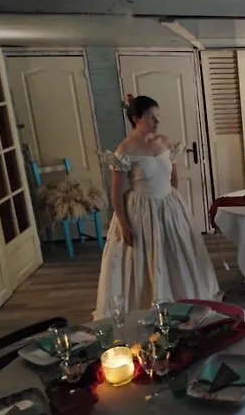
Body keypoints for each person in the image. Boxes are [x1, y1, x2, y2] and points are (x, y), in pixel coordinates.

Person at [93, 95, 221, 319]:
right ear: (136, 119)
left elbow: (173, 176)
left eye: (158, 117)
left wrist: (173, 203)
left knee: (177, 253)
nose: (157, 122)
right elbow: (116, 191)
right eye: (151, 117)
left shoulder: (165, 141)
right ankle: (149, 303)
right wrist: (124, 224)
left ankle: (183, 299)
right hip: (141, 209)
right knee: (147, 257)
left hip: (169, 205)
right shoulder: (125, 149)